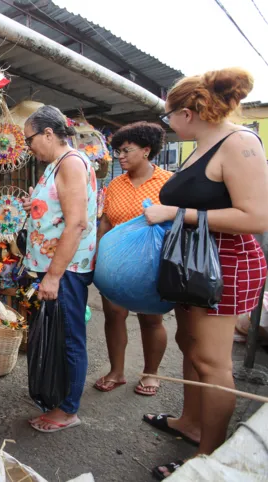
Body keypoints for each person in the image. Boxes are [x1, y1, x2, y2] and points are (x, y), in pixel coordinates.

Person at [142, 67, 268, 480]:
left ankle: (206, 459)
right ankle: (189, 422)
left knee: (213, 362)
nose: (168, 125)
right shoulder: (200, 146)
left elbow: (256, 216)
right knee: (190, 346)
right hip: (191, 262)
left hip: (224, 264)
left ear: (188, 112)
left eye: (168, 117)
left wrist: (176, 213)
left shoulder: (240, 143)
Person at [22, 105, 98, 433]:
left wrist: (53, 276)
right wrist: (34, 205)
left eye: (30, 140)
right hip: (56, 268)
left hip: (65, 270)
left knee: (69, 338)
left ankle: (68, 410)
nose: (29, 147)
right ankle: (59, 398)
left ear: (49, 133)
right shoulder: (56, 165)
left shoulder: (70, 164)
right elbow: (57, 211)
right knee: (60, 336)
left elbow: (77, 222)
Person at [94, 122, 172, 396]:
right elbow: (105, 221)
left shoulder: (167, 182)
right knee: (114, 317)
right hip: (116, 264)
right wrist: (98, 255)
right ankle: (117, 372)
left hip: (152, 266)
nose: (120, 156)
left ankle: (151, 373)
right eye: (117, 151)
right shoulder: (116, 184)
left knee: (151, 320)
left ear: (147, 150)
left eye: (126, 150)